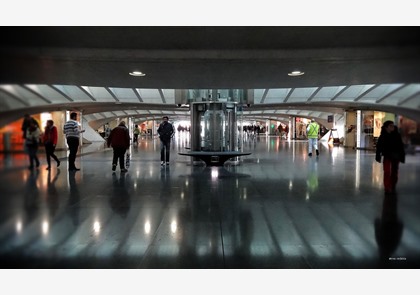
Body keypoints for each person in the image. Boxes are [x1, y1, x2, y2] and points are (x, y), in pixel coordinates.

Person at [375, 120, 406, 194]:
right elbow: (379, 147)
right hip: (387, 156)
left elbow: (401, 146)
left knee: (394, 172)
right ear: (386, 127)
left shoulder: (397, 135)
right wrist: (378, 156)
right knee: (387, 171)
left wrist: (402, 156)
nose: (392, 127)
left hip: (396, 156)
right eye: (390, 126)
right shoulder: (383, 136)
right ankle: (387, 187)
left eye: (393, 125)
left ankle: (393, 184)